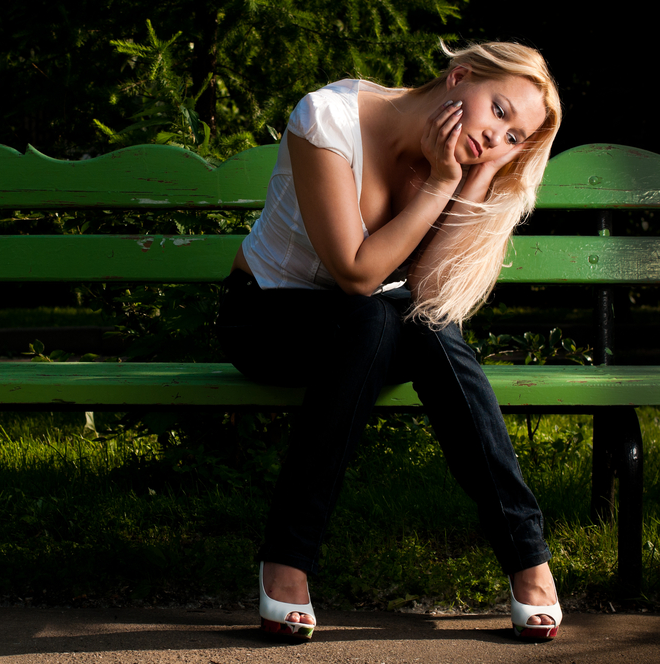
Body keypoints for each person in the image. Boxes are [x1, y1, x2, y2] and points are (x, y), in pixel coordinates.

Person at [215, 41, 563, 642]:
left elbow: (428, 291)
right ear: (459, 76)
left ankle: (525, 555)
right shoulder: (328, 118)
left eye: (515, 140)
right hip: (267, 317)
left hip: (365, 331)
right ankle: (288, 560)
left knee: (410, 322)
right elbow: (355, 272)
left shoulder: (467, 159)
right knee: (375, 315)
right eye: (500, 111)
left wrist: (473, 177)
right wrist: (441, 182)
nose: (499, 140)